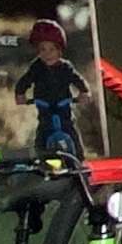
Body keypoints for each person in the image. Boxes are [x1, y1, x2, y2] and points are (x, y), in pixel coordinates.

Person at [15, 19, 85, 160]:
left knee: (70, 129)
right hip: (44, 106)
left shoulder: (65, 67)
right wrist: (20, 94)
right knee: (43, 131)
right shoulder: (36, 67)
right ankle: (40, 157)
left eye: (51, 49)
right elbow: (25, 81)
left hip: (63, 106)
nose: (47, 54)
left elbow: (77, 79)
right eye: (43, 49)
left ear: (59, 50)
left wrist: (84, 92)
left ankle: (79, 159)